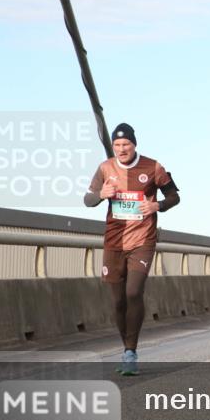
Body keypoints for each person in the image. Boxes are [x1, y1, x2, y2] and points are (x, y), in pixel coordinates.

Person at [84, 123, 180, 376]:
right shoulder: (105, 168)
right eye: (117, 145)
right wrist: (101, 194)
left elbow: (174, 196)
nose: (121, 149)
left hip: (143, 240)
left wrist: (157, 206)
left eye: (126, 144)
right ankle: (126, 346)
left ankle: (130, 352)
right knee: (118, 301)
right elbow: (87, 199)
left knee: (133, 292)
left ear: (134, 144)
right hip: (114, 242)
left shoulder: (153, 167)